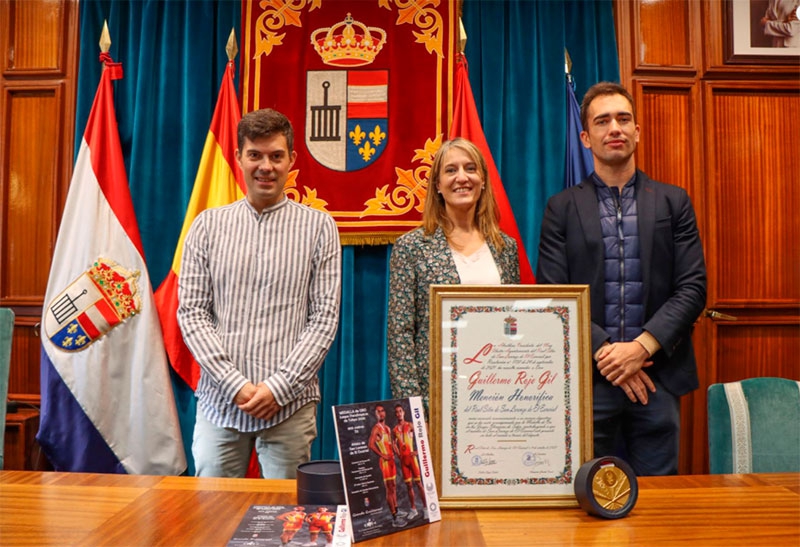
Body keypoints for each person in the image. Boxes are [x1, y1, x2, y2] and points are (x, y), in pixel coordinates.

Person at [536, 82, 707, 476]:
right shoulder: (560, 208)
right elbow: (553, 295)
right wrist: (610, 355)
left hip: (658, 379)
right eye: (602, 121)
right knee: (586, 503)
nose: (614, 127)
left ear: (637, 131)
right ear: (586, 137)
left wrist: (640, 350)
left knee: (659, 505)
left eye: (623, 119)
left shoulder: (673, 201)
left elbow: (693, 288)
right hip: (588, 382)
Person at [177, 108, 342, 479]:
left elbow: (325, 319)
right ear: (238, 158)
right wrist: (236, 386)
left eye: (276, 156)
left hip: (290, 406)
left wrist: (278, 388)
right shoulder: (206, 227)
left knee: (286, 520)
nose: (265, 166)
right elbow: (191, 314)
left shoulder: (319, 227)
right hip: (220, 403)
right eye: (255, 155)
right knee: (212, 517)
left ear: (291, 161)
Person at [387, 137, 521, 412]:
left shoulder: (505, 248)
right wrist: (413, 412)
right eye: (451, 170)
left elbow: (514, 324)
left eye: (470, 168)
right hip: (435, 399)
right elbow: (400, 338)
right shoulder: (411, 248)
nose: (462, 177)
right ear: (437, 185)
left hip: (497, 394)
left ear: (483, 180)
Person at [368, 404, 402, 528]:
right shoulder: (376, 429)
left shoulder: (387, 428)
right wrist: (382, 454)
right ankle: (394, 517)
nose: (381, 413)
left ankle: (397, 510)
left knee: (393, 486)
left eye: (382, 411)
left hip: (392, 460)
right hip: (385, 462)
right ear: (375, 415)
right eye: (378, 412)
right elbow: (370, 445)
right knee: (389, 488)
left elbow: (391, 444)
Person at [392, 404, 427, 521]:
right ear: (395, 414)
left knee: (419, 484)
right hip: (404, 461)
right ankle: (413, 509)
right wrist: (398, 455)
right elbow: (393, 443)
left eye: (400, 411)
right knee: (409, 485)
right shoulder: (395, 429)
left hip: (412, 459)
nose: (399, 413)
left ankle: (426, 509)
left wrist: (417, 451)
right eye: (396, 412)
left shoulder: (410, 425)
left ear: (404, 412)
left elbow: (423, 435)